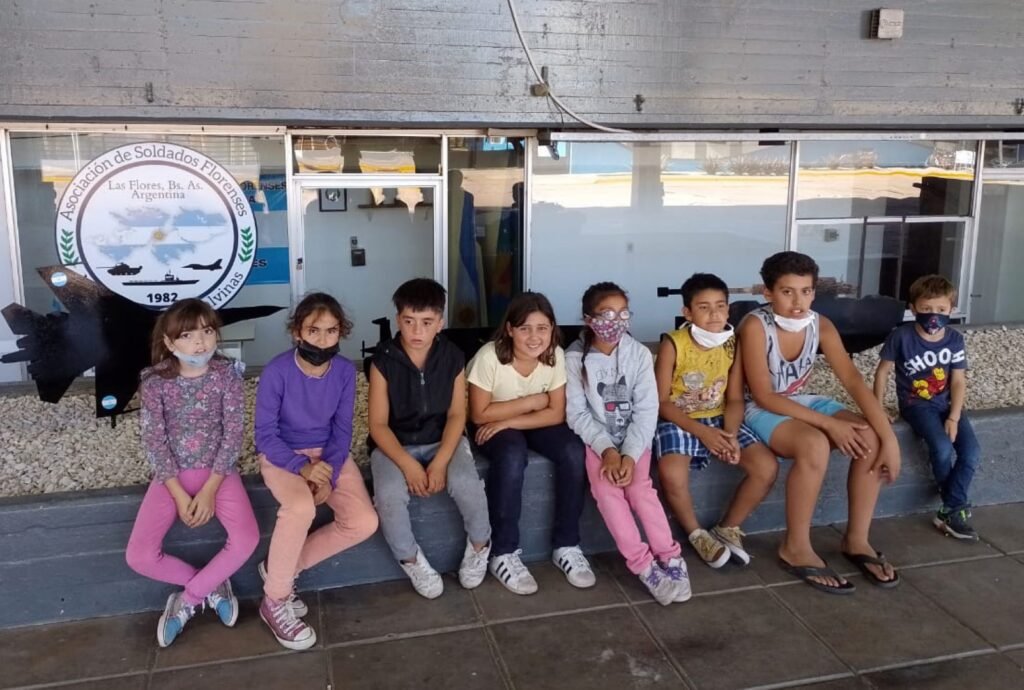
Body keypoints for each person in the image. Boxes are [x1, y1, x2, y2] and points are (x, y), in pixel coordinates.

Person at [740, 251, 901, 594]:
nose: (798, 302)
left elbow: (853, 381)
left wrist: (889, 439)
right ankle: (795, 546)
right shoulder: (755, 326)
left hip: (801, 400)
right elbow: (765, 396)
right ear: (767, 292)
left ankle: (856, 540)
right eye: (787, 292)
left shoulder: (820, 325)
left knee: (869, 436)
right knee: (813, 443)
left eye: (806, 291)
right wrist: (829, 425)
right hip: (759, 407)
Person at [125, 298, 258, 648]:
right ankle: (211, 585)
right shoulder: (155, 381)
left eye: (207, 331)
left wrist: (211, 489)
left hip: (219, 473)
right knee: (139, 556)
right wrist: (180, 495)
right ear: (169, 342)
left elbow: (233, 434)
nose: (200, 342)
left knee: (247, 539)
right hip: (172, 477)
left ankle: (188, 599)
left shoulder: (228, 375)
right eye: (187, 335)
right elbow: (154, 439)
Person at [255, 292, 379, 650]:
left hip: (327, 456)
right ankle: (274, 599)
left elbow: (342, 429)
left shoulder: (344, 371)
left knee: (363, 522)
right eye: (314, 330)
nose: (323, 340)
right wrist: (303, 469)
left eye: (331, 331)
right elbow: (265, 435)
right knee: (300, 507)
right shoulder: (277, 371)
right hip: (284, 456)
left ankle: (282, 569)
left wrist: (329, 474)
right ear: (297, 332)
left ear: (341, 332)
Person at [566, 282, 689, 606]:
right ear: (588, 318)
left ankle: (670, 558)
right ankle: (643, 565)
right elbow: (578, 413)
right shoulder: (574, 358)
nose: (616, 322)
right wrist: (607, 451)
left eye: (623, 314)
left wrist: (630, 456)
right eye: (607, 314)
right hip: (598, 443)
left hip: (635, 440)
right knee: (607, 493)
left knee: (640, 489)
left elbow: (647, 410)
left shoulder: (638, 354)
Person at [368, 278, 492, 599]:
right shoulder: (383, 360)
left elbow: (456, 415)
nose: (417, 331)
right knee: (388, 495)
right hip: (395, 444)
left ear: (440, 322)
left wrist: (440, 462)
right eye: (409, 321)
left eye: (426, 322)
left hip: (443, 439)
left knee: (466, 483)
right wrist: (408, 465)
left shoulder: (452, 356)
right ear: (398, 319)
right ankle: (411, 559)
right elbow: (378, 425)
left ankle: (480, 545)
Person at [468, 291, 593, 595]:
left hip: (521, 421)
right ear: (510, 329)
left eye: (542, 328)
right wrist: (533, 401)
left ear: (552, 329)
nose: (534, 337)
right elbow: (479, 413)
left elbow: (556, 413)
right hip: (491, 426)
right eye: (525, 328)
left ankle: (566, 544)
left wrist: (509, 420)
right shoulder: (489, 356)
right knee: (512, 454)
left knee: (573, 451)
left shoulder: (555, 355)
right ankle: (503, 552)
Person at [654, 273, 779, 569]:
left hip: (720, 416)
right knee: (672, 473)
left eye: (720, 306)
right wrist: (702, 432)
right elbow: (662, 403)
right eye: (704, 307)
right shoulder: (674, 343)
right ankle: (696, 533)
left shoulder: (731, 343)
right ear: (687, 312)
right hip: (680, 419)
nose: (714, 314)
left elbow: (734, 399)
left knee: (766, 467)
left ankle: (727, 528)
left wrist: (730, 435)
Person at [874, 274, 979, 541]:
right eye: (926, 308)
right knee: (941, 448)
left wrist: (953, 416)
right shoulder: (901, 336)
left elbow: (958, 381)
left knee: (971, 452)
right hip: (917, 404)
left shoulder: (954, 340)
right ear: (913, 308)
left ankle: (950, 508)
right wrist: (877, 407)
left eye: (941, 309)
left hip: (947, 404)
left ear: (951, 309)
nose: (934, 315)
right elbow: (883, 371)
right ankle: (954, 508)